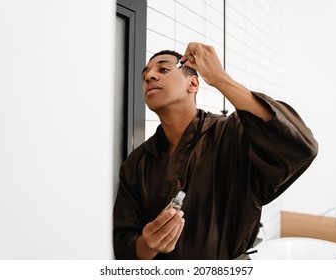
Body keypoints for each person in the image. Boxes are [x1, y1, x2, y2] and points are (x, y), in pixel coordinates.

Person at [113, 42, 318, 260]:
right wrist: (147, 246)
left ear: (192, 83)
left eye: (163, 69)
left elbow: (299, 146)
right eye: (145, 74)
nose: (149, 77)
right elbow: (123, 243)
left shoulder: (233, 135)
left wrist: (220, 79)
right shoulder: (137, 162)